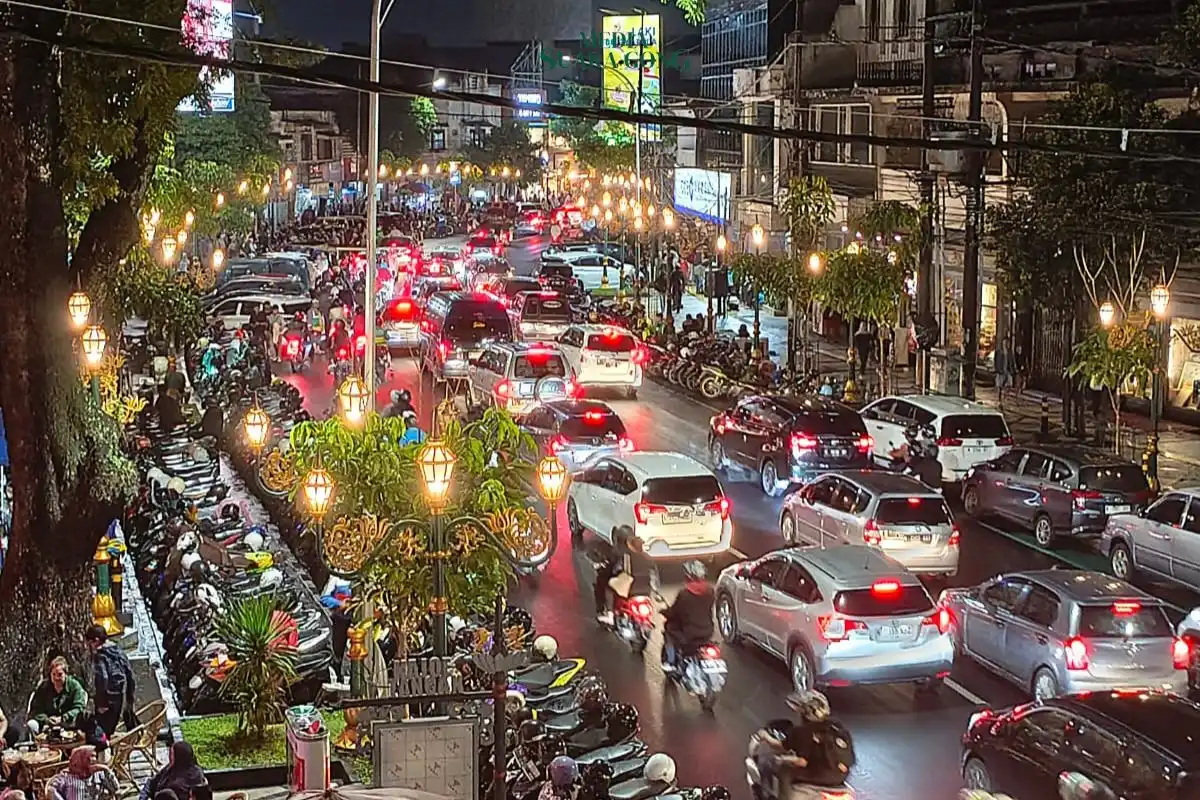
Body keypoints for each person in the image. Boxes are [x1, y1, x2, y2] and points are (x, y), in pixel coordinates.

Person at [751, 691, 854, 800]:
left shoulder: (802, 731)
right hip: (839, 778)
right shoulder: (838, 727)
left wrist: (766, 737)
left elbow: (800, 760)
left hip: (818, 776)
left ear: (804, 713)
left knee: (784, 771)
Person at [594, 526, 655, 625]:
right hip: (647, 588)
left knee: (609, 588)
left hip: (630, 587)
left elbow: (616, 568)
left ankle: (610, 616)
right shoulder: (647, 556)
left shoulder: (624, 554)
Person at [661, 560, 715, 672]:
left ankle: (670, 662)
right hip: (707, 631)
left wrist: (665, 612)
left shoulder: (684, 594)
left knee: (669, 631)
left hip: (689, 633)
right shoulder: (710, 591)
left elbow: (675, 611)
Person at [85, 624, 137, 738]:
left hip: (108, 702)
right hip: (120, 698)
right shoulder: (118, 651)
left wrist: (102, 703)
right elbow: (130, 674)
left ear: (96, 641)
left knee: (101, 734)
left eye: (89, 643)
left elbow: (103, 678)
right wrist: (129, 700)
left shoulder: (100, 656)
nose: (89, 646)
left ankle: (106, 755)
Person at [29, 657, 88, 734]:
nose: (57, 678)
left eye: (60, 674)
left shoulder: (75, 686)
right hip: (47, 725)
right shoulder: (43, 688)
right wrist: (46, 719)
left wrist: (63, 718)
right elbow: (36, 709)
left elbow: (79, 707)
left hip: (69, 723)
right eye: (54, 674)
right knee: (31, 724)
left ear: (65, 674)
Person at [138, 742, 208, 800]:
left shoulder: (195, 775)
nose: (169, 757)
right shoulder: (170, 768)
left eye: (172, 754)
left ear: (180, 756)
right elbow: (151, 782)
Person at [45, 746, 118, 800]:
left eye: (95, 756)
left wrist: (107, 770)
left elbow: (115, 788)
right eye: (91, 756)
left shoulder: (99, 774)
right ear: (80, 759)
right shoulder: (66, 776)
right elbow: (51, 790)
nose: (94, 759)